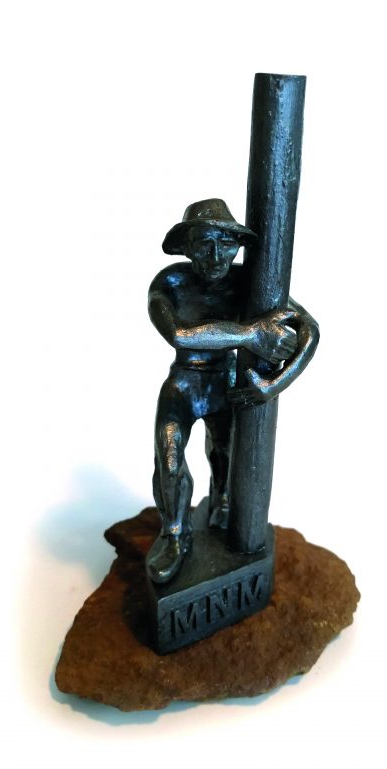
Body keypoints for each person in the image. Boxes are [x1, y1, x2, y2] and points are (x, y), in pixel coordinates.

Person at [146, 199, 318, 583]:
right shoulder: (169, 284)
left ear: (238, 246)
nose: (215, 255)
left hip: (225, 383)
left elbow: (309, 330)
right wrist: (250, 334)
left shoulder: (247, 283)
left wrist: (273, 385)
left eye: (226, 243)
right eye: (204, 243)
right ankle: (175, 534)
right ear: (187, 247)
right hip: (183, 382)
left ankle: (221, 502)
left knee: (225, 452)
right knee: (168, 455)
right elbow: (180, 335)